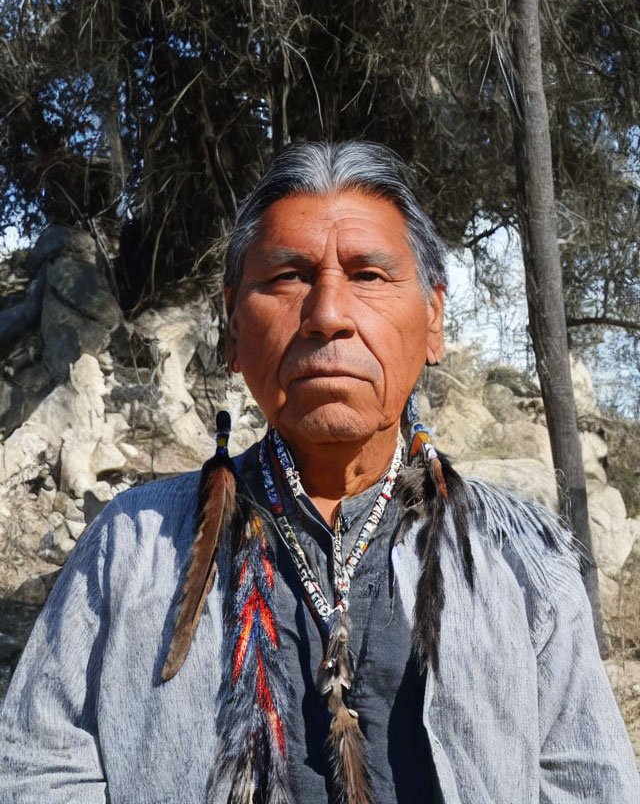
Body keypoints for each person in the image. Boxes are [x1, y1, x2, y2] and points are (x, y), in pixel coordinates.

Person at [0, 141, 638, 804]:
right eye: (286, 278)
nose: (328, 314)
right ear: (232, 331)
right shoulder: (133, 546)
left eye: (368, 275)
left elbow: (585, 781)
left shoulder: (520, 559)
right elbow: (39, 767)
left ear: (434, 320)